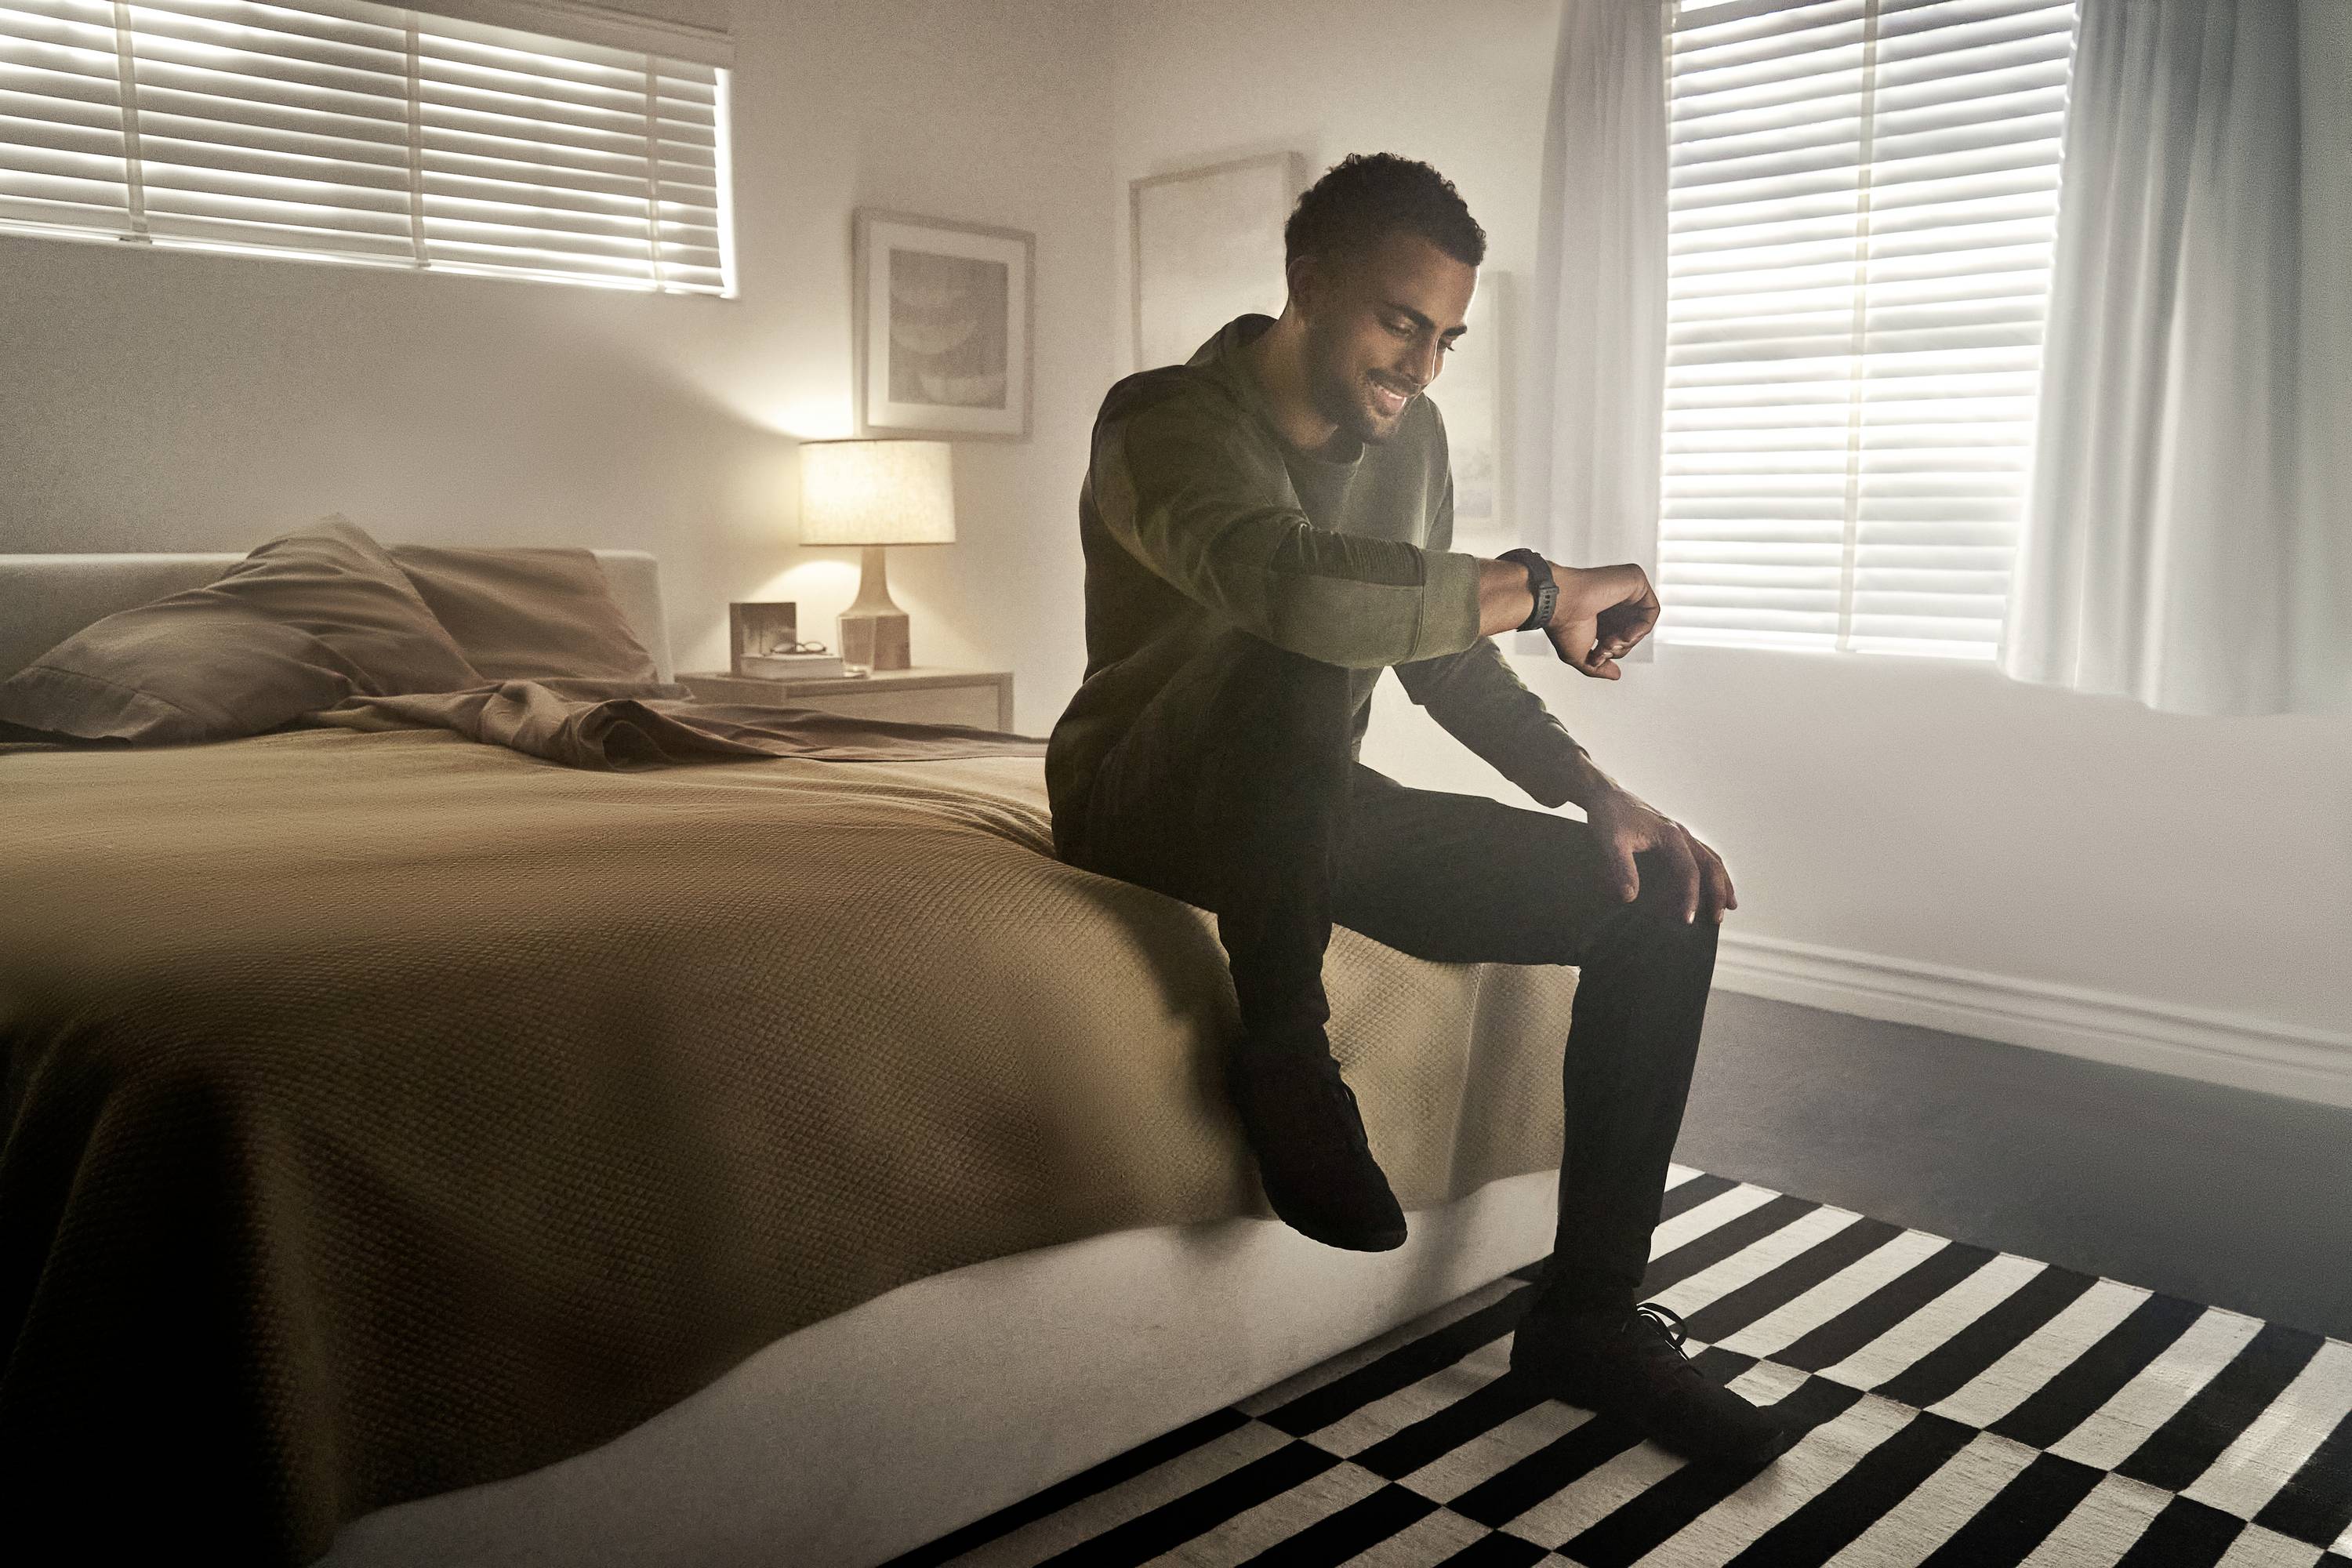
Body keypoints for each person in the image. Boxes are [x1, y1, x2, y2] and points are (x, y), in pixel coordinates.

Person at [1044, 154, 1791, 1468]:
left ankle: (1590, 1317)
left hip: (1307, 804)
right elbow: (1307, 601)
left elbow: (1433, 652)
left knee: (1659, 899)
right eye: (1402, 322)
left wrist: (1596, 790)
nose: (1424, 367)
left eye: (1447, 338)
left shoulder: (1413, 438)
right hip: (1138, 798)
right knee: (1303, 616)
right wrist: (1547, 580)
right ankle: (1283, 1046)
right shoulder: (1160, 419)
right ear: (1307, 283)